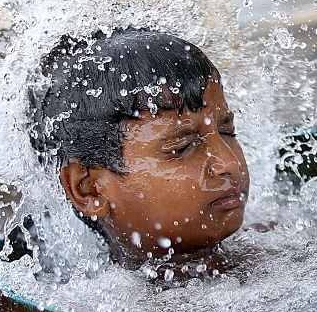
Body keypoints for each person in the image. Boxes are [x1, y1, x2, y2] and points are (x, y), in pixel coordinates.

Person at [26, 28, 250, 275]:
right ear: (88, 189)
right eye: (182, 147)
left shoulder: (279, 244)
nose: (229, 163)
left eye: (227, 132)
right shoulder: (116, 309)